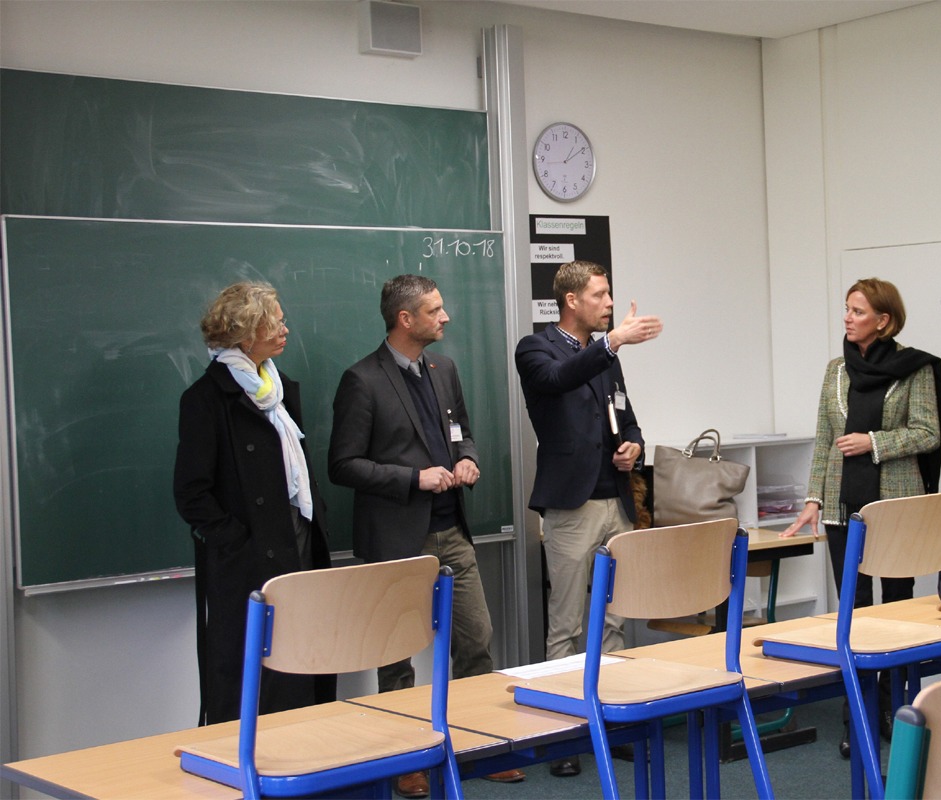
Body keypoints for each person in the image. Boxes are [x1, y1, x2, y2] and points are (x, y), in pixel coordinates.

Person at [328, 274, 523, 793]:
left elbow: (464, 435)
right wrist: (413, 479)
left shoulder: (444, 368)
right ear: (405, 319)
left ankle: (480, 745)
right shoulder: (361, 380)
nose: (446, 318)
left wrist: (467, 460)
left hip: (451, 531)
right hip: (396, 540)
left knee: (476, 639)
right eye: (435, 311)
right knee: (397, 657)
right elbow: (342, 465)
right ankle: (403, 759)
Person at [782, 277, 941, 756]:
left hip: (894, 505)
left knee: (896, 612)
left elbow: (927, 433)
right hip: (841, 506)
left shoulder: (912, 369)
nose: (848, 318)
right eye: (847, 310)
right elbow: (823, 439)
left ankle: (901, 717)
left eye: (858, 311)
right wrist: (814, 497)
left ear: (884, 320)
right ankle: (860, 718)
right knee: (853, 613)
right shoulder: (836, 371)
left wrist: (873, 443)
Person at [514, 260, 661, 779]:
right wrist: (613, 342)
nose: (608, 303)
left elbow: (629, 415)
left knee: (615, 618)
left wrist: (633, 447)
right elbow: (557, 379)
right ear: (572, 300)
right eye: (600, 295)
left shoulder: (607, 357)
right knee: (568, 622)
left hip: (615, 499)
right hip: (571, 505)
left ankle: (612, 719)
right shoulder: (536, 348)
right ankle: (564, 731)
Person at [174, 281, 334, 726]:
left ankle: (305, 768)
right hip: (248, 559)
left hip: (295, 538)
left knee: (300, 659)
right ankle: (250, 775)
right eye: (276, 321)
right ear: (246, 333)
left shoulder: (277, 389)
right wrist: (238, 541)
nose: (286, 328)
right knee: (251, 673)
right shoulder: (207, 400)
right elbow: (191, 493)